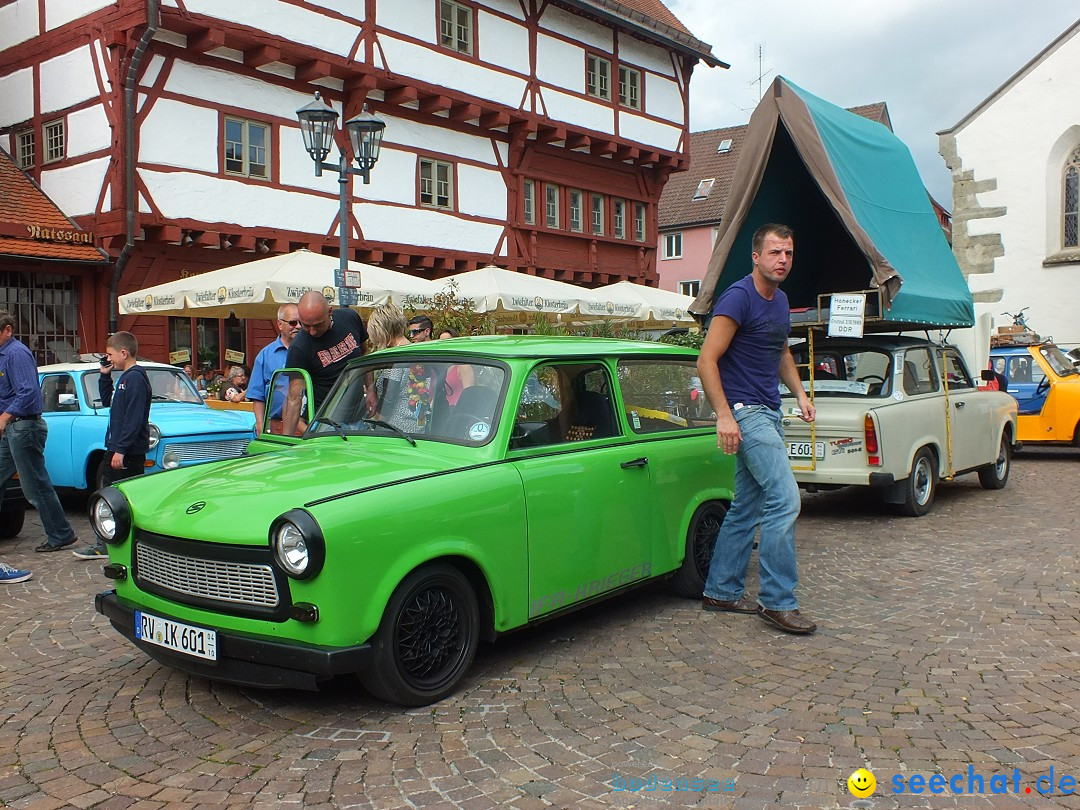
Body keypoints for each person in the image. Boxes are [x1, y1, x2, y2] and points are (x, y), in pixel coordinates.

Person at [697, 223, 817, 635]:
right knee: (785, 500)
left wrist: (800, 394)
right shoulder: (738, 298)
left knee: (747, 507)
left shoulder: (780, 302)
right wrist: (725, 416)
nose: (782, 260)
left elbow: (780, 350)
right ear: (756, 256)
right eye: (774, 253)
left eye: (788, 253)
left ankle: (721, 590)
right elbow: (706, 360)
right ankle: (777, 601)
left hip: (769, 409)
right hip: (746, 413)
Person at [0, 310, 78, 555]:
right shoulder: (4, 355)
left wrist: (4, 417)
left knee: (35, 486)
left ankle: (61, 534)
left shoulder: (15, 353)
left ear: (7, 330)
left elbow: (28, 393)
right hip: (14, 428)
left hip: (23, 426)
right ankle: (60, 532)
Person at [74, 331, 152, 559]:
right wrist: (104, 376)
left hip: (125, 451)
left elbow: (133, 418)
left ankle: (107, 543)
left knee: (112, 496)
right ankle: (111, 540)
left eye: (110, 354)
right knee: (111, 493)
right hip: (119, 447)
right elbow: (109, 402)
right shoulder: (125, 378)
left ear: (123, 353)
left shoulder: (135, 378)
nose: (108, 358)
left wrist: (121, 449)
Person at [282, 291, 368, 435]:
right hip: (326, 424)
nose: (312, 332)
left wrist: (370, 389)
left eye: (317, 325)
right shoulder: (299, 347)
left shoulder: (350, 318)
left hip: (359, 416)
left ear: (329, 312)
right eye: (306, 326)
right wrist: (285, 443)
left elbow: (364, 355)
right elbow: (294, 397)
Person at [368, 304, 433, 432]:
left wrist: (376, 421)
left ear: (382, 331)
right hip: (416, 427)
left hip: (394, 430)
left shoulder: (396, 356)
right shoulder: (414, 351)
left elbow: (389, 396)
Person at [246, 304, 301, 433]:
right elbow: (257, 396)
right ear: (280, 324)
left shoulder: (311, 351)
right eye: (293, 323)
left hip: (308, 425)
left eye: (301, 322)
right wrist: (260, 427)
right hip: (277, 426)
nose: (298, 326)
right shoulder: (265, 355)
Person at [438, 327, 475, 406]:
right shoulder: (446, 367)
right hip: (447, 412)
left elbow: (469, 396)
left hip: (459, 413)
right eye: (441, 343)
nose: (444, 346)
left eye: (448, 342)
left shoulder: (464, 367)